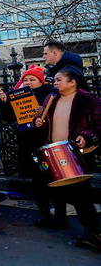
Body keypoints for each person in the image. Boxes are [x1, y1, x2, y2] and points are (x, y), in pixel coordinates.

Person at [34, 66, 100, 250]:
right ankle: (59, 219)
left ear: (73, 82)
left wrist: (85, 136)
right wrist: (38, 121)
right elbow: (42, 120)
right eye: (54, 80)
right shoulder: (51, 98)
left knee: (81, 194)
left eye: (58, 80)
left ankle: (93, 232)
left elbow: (97, 126)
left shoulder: (88, 100)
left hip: (76, 154)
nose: (54, 83)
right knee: (56, 190)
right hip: (55, 152)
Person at [0, 65, 56, 224]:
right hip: (28, 144)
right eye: (26, 80)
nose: (28, 82)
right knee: (38, 180)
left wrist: (43, 110)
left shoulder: (50, 94)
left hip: (46, 143)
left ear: (41, 81)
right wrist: (4, 102)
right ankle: (44, 212)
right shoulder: (18, 95)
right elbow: (9, 118)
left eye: (32, 79)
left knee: (50, 178)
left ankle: (57, 212)